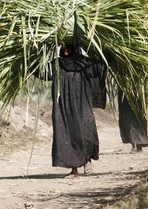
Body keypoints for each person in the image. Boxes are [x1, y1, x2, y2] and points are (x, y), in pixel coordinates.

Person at [37, 44, 106, 178]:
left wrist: (103, 51)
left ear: (75, 49)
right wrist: (33, 54)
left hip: (82, 105)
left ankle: (87, 161)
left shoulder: (83, 63)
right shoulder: (56, 64)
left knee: (85, 132)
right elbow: (42, 72)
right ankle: (74, 170)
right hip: (63, 108)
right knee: (67, 135)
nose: (67, 51)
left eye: (69, 48)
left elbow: (99, 68)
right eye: (64, 49)